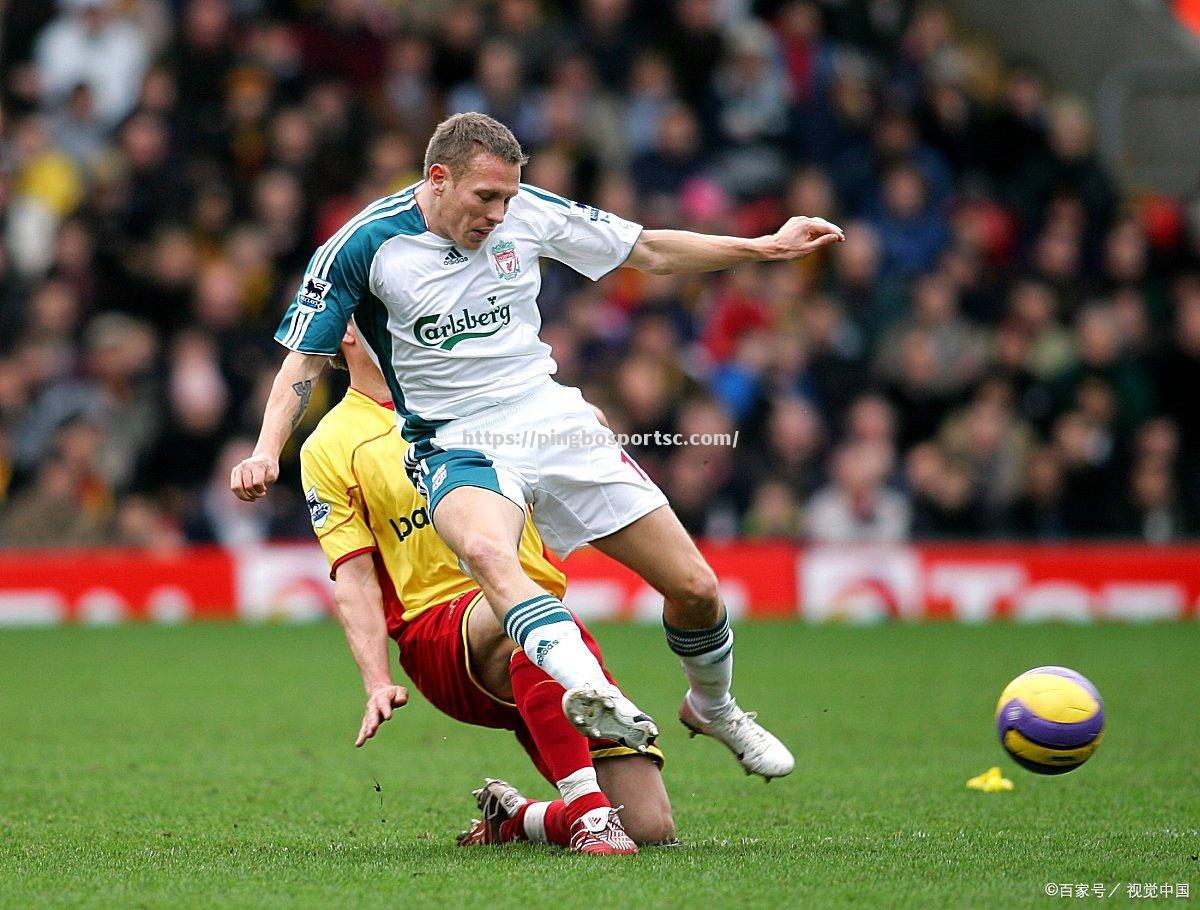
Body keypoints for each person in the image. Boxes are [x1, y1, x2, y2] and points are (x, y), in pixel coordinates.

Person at [232, 111, 843, 778]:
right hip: (452, 437)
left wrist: (763, 248)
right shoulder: (362, 246)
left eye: (508, 198)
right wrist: (267, 449)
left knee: (695, 589)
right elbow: (304, 361)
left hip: (550, 420)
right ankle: (591, 689)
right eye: (485, 198)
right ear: (437, 180)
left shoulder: (526, 212)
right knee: (491, 553)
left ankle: (715, 707)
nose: (499, 214)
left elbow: (648, 250)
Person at [300, 325, 672, 855]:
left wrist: (578, 428)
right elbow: (354, 577)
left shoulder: (487, 398)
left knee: (650, 825)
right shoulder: (331, 444)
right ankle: (590, 818)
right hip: (438, 630)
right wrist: (376, 681)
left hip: (545, 626)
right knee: (516, 614)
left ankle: (519, 819)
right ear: (345, 336)